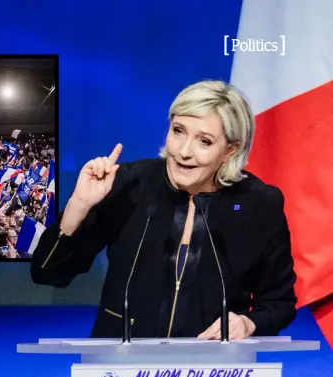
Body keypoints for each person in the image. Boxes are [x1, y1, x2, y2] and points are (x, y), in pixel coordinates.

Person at [31, 80, 297, 340]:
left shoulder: (259, 203)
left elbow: (279, 302)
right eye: (178, 131)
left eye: (204, 141)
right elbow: (47, 274)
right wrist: (79, 205)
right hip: (123, 365)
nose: (184, 151)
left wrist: (248, 323)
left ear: (230, 150)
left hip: (213, 370)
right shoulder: (130, 183)